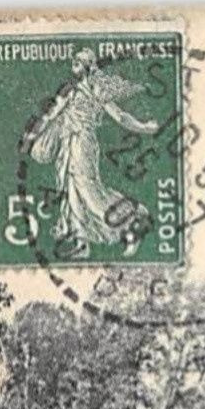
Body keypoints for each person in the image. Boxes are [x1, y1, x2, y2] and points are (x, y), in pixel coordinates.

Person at [29, 48, 160, 259]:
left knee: (90, 193)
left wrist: (144, 127)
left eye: (79, 61)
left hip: (83, 143)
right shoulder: (70, 90)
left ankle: (131, 225)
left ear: (89, 66)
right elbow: (52, 114)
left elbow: (121, 117)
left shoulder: (96, 90)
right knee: (72, 192)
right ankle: (82, 243)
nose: (74, 63)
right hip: (68, 142)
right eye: (74, 60)